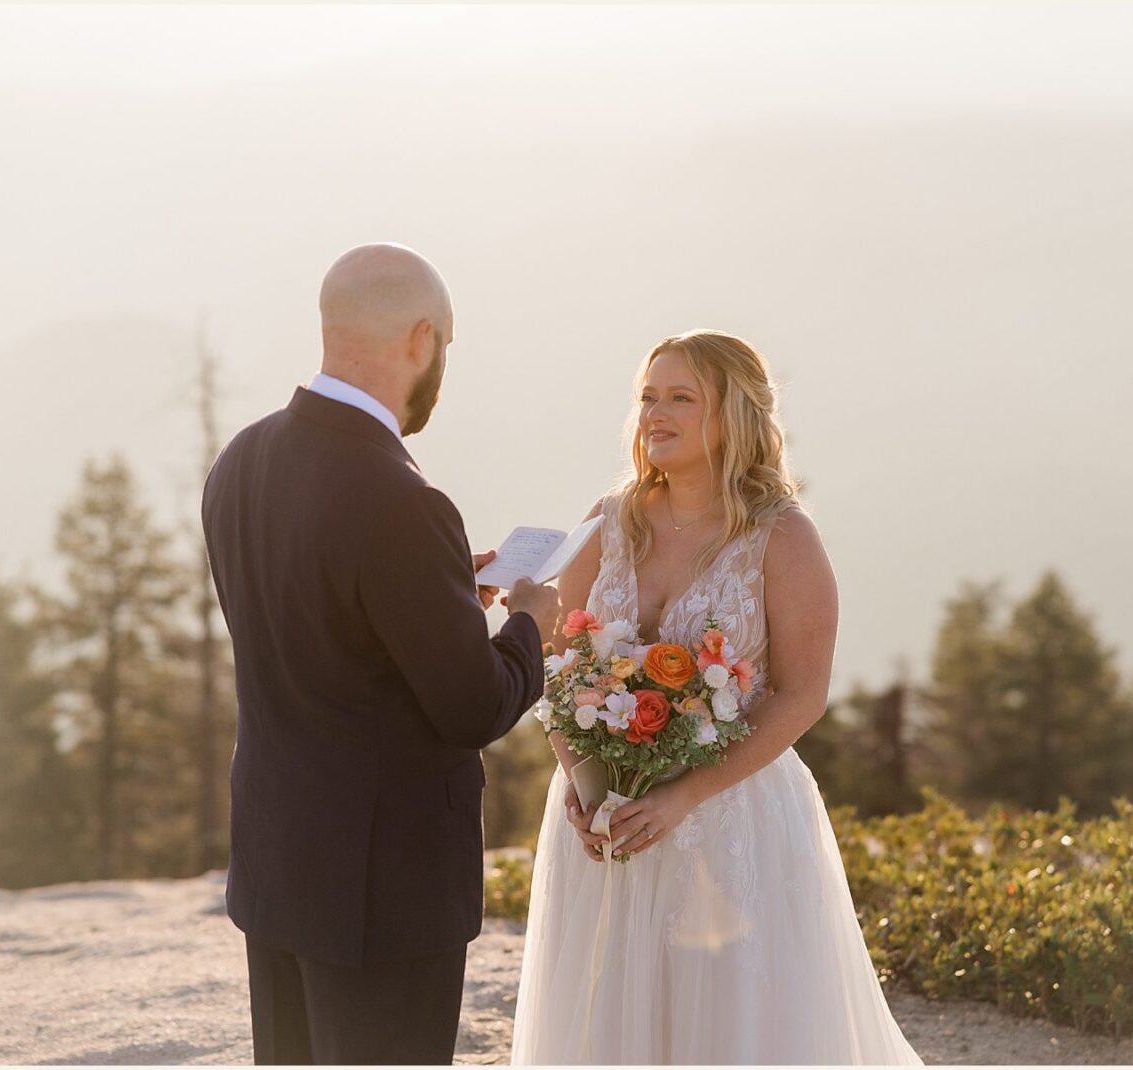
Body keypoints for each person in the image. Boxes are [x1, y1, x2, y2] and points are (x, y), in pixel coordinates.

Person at [508, 330, 923, 1064]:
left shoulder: (782, 537)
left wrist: (682, 796)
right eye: (646, 397)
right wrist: (581, 779)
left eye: (679, 398)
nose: (654, 414)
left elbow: (801, 695)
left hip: (728, 821)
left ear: (732, 415)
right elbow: (560, 660)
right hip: (603, 821)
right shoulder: (608, 519)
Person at [201, 243, 560, 1064]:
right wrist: (528, 622)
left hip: (279, 859)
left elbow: (315, 631)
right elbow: (473, 706)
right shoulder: (404, 499)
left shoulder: (242, 459)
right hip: (382, 890)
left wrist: (435, 604)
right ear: (421, 339)